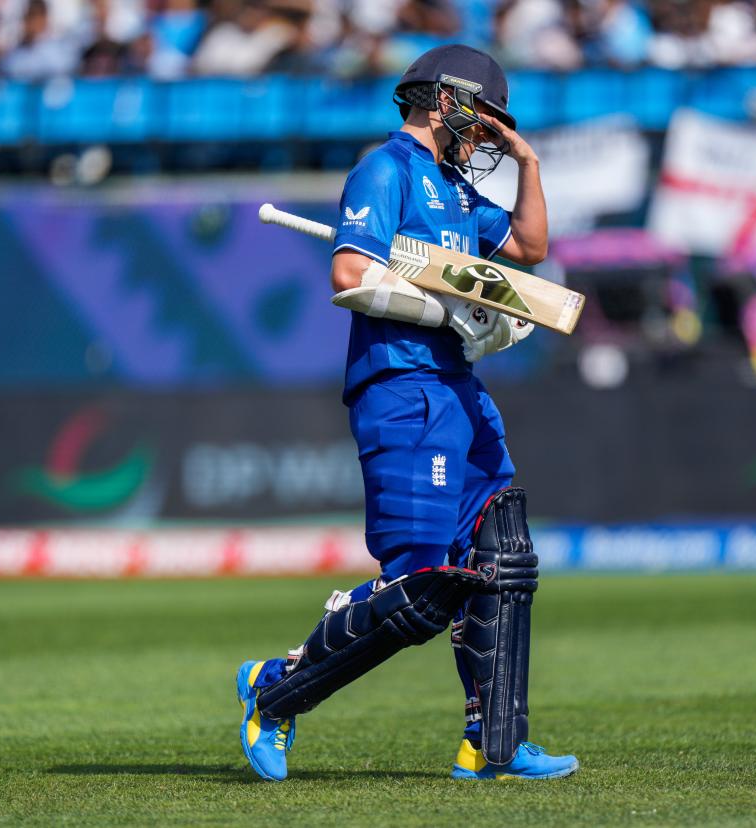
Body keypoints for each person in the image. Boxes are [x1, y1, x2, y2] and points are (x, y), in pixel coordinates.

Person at [234, 43, 579, 783]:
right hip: (403, 388)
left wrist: (533, 169)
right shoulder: (385, 169)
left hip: (457, 388)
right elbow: (352, 274)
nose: (489, 134)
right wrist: (450, 315)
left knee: (503, 553)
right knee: (423, 584)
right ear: (444, 100)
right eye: (483, 117)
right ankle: (274, 690)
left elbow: (530, 246)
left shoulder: (455, 190)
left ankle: (495, 742)